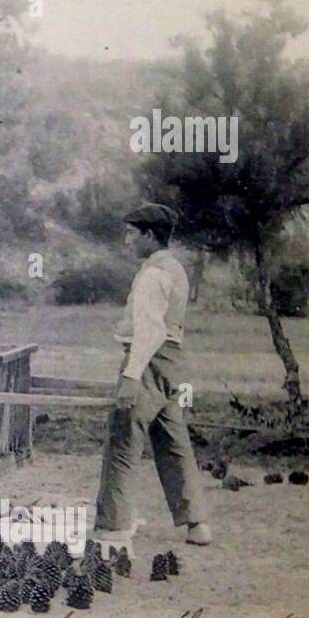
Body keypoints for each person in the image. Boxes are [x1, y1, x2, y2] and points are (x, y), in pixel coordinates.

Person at [93, 202, 212, 557]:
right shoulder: (175, 268)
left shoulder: (151, 275)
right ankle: (197, 523)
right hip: (172, 362)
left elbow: (150, 330)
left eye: (132, 233)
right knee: (173, 440)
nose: (127, 240)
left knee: (123, 439)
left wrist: (131, 376)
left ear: (149, 235)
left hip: (148, 360)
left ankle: (112, 527)